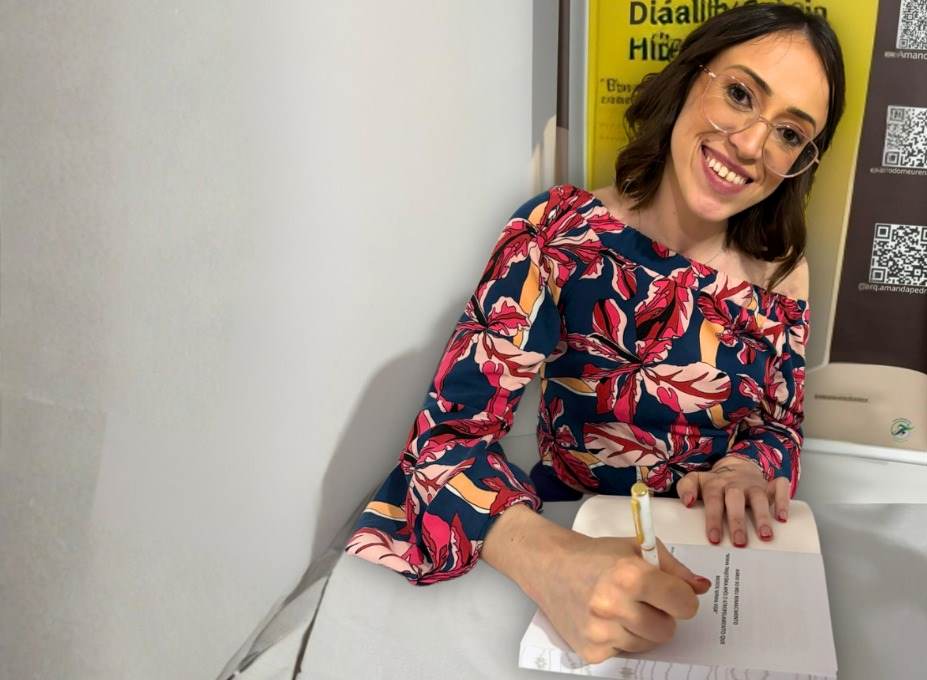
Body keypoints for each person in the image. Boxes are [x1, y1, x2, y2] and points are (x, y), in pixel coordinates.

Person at [345, 2, 846, 665]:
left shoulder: (783, 276)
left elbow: (778, 427)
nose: (752, 145)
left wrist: (746, 467)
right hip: (565, 535)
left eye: (788, 133)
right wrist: (552, 562)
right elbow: (443, 444)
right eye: (739, 94)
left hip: (715, 570)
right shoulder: (560, 233)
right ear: (690, 77)